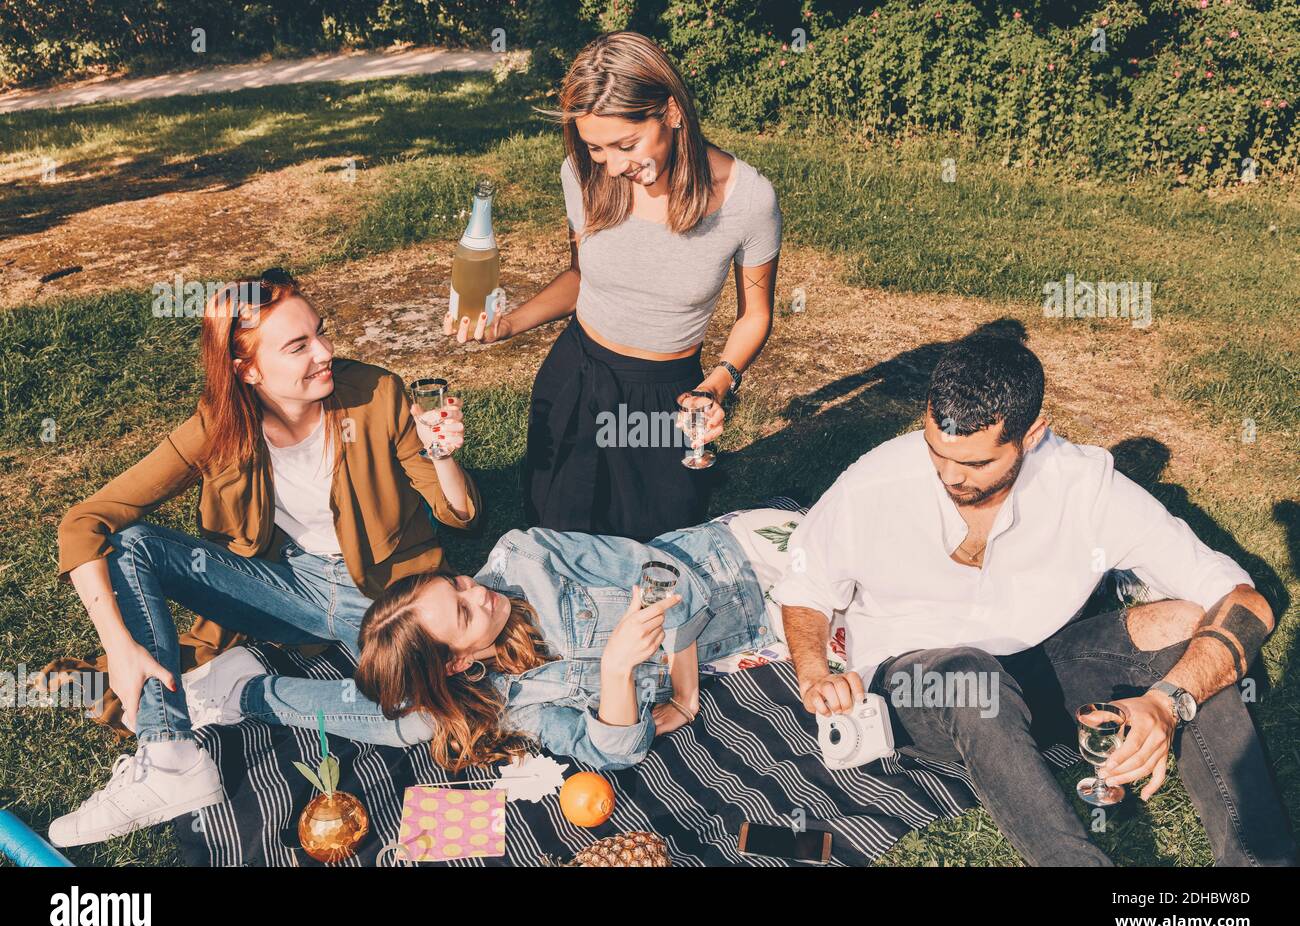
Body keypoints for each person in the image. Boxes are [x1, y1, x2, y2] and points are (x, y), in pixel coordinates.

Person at [772, 335, 1297, 866]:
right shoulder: (876, 481)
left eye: (976, 463)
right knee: (969, 674)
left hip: (1034, 675)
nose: (951, 475)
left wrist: (1168, 700)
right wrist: (815, 672)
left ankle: (1259, 862)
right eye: (937, 453)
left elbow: (1244, 601)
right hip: (919, 689)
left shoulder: (1083, 487)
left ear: (1032, 433)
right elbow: (805, 585)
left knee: (1188, 625)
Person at [47, 270, 481, 847]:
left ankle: (239, 691)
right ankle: (171, 756)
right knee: (132, 546)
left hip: (384, 602)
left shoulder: (376, 394)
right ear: (246, 369)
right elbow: (86, 523)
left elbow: (460, 514)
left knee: (425, 717)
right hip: (284, 586)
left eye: (320, 334)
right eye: (298, 346)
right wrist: (120, 648)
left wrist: (442, 454)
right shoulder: (217, 429)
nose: (325, 352)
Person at [444, 31, 782, 542]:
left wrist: (716, 385)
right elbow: (582, 277)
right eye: (597, 148)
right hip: (574, 376)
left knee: (657, 544)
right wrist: (507, 325)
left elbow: (754, 315)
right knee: (559, 532)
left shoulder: (749, 200)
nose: (615, 165)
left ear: (670, 112)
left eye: (626, 145)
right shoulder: (584, 174)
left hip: (666, 395)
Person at [174, 510, 797, 772]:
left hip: (740, 560)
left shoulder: (528, 558)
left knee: (414, 720)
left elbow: (673, 578)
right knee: (417, 720)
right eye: (466, 615)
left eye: (459, 585)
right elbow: (614, 751)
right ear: (462, 660)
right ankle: (252, 692)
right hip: (764, 630)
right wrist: (614, 676)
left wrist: (683, 698)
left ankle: (251, 692)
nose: (481, 594)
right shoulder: (509, 701)